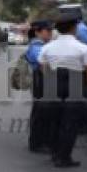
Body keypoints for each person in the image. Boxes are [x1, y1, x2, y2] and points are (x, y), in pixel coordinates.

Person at [38, 13, 87, 168]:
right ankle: (63, 157)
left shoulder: (47, 47)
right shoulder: (84, 48)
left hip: (53, 82)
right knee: (70, 123)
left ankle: (55, 153)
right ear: (74, 27)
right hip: (76, 82)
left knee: (54, 120)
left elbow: (43, 67)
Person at [25, 20, 54, 154]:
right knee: (41, 112)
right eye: (47, 31)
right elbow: (45, 66)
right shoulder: (37, 46)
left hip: (42, 80)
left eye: (50, 30)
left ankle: (40, 141)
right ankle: (37, 143)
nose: (50, 33)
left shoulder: (43, 45)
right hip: (41, 80)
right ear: (37, 32)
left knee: (42, 112)